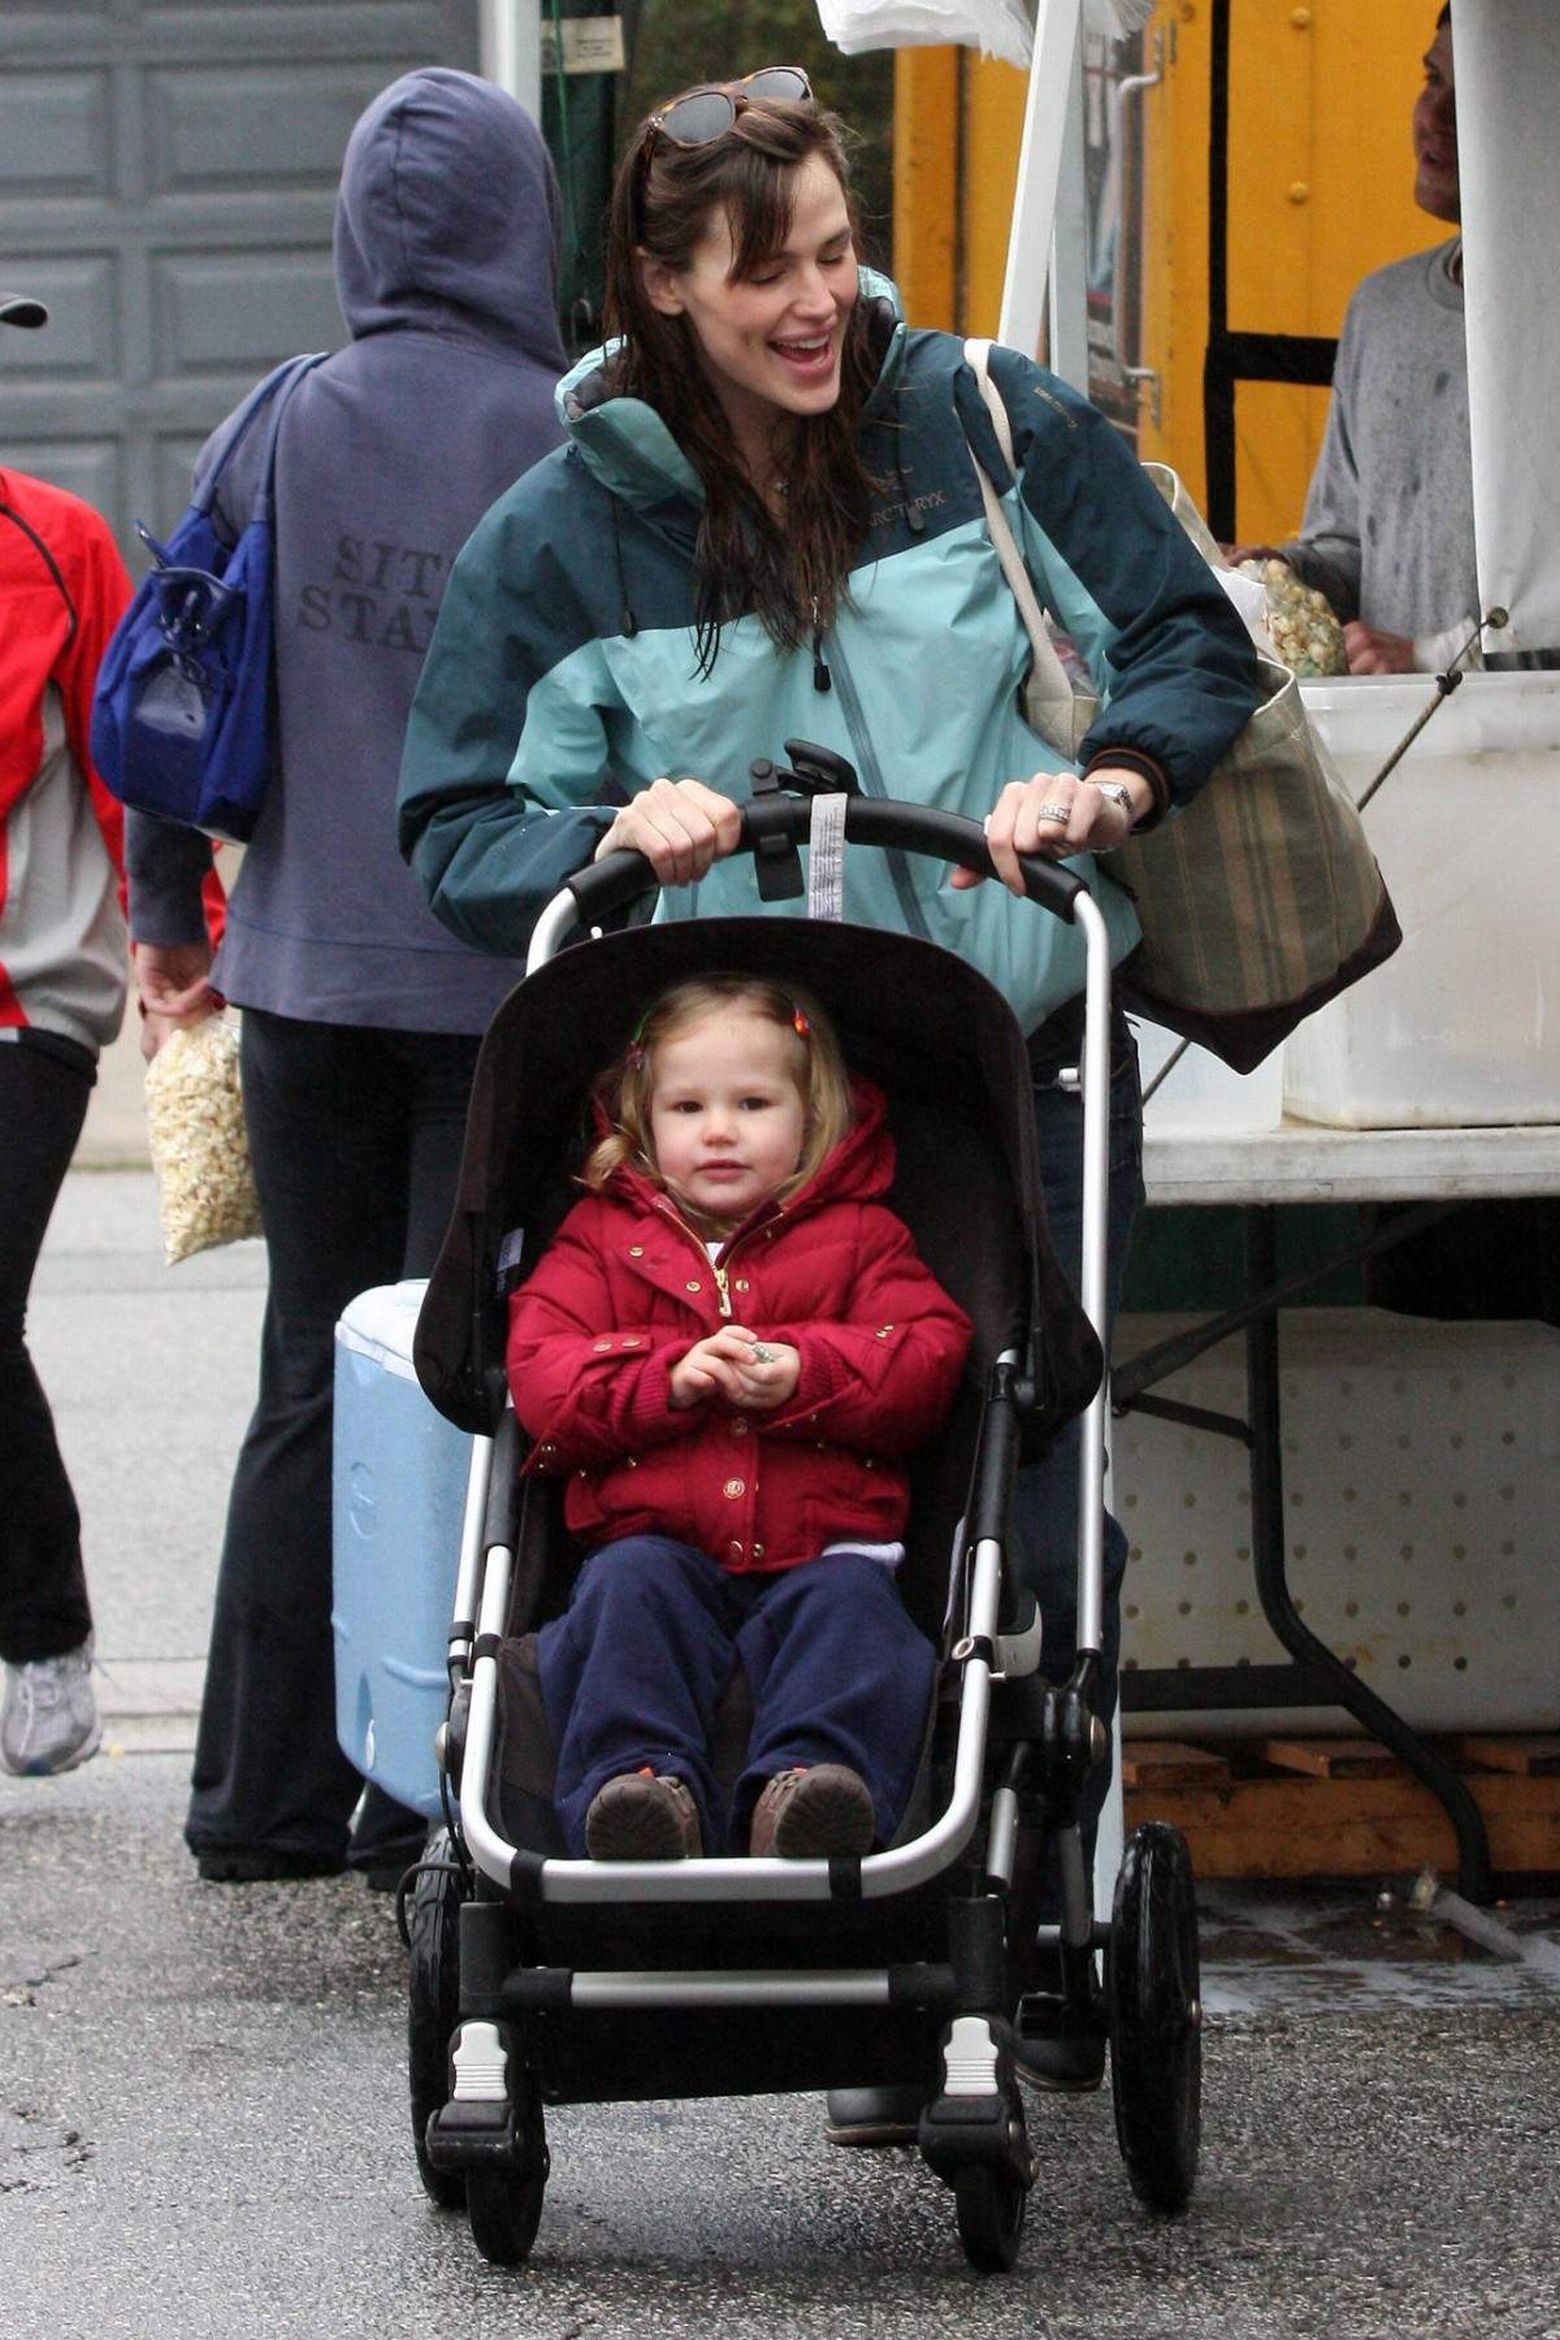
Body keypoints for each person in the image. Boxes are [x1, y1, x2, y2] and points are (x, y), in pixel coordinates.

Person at [399, 68, 1263, 2063]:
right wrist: (611, 837)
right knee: (664, 1489)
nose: (817, 304)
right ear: (660, 283)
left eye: (837, 254)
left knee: (1028, 1479)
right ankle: (712, 1825)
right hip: (721, 1111)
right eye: (761, 270)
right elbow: (455, 828)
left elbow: (1189, 642)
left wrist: (1111, 782)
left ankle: (1020, 1882)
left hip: (998, 1063)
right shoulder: (566, 532)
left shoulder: (980, 424)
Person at [127, 69, 569, 1884]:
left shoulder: (282, 416)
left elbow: (176, 669)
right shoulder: (569, 429)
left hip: (300, 985)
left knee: (311, 1366)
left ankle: (259, 1798)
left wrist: (171, 916)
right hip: (502, 988)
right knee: (463, 1371)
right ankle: (430, 1794)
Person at [508, 974, 971, 1861]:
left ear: (812, 1116)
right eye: (688, 1108)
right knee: (625, 1597)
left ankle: (812, 1790)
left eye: (752, 1104)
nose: (719, 1131)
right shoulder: (600, 1241)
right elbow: (541, 1377)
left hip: (824, 1547)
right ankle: (638, 1789)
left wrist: (809, 1373)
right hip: (652, 1541)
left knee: (856, 1614)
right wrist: (666, 1379)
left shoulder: (863, 1237)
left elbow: (928, 1360)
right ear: (643, 1120)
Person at [1, 294, 132, 1776]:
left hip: (23, 1002)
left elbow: (126, 758)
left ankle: (43, 1633)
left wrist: (182, 948)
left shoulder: (56, 539)